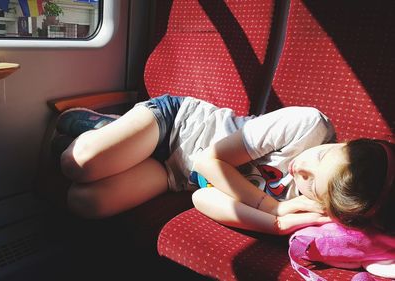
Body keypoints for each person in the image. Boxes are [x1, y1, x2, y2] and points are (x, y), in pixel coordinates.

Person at [57, 94, 394, 237]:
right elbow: (208, 160)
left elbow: (202, 197)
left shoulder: (317, 206)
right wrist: (271, 207)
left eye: (310, 183)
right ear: (346, 143)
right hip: (176, 125)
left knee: (83, 202)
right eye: (321, 157)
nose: (301, 168)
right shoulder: (307, 126)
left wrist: (275, 225)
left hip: (174, 175)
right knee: (78, 165)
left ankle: (119, 144)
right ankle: (104, 125)